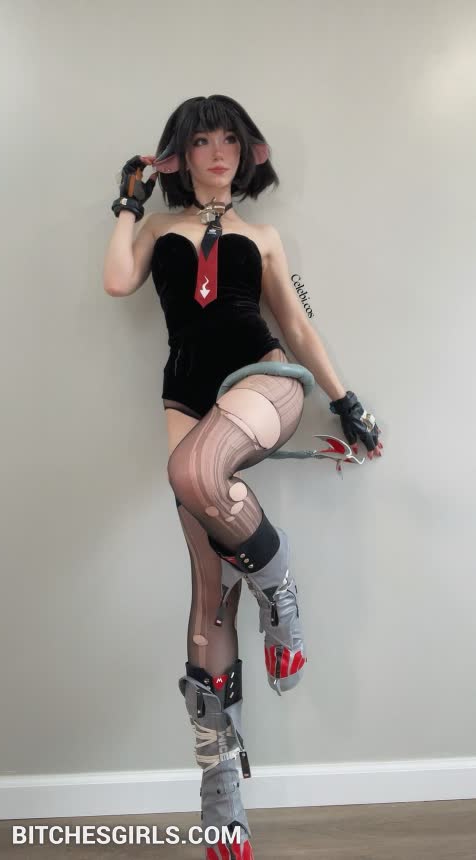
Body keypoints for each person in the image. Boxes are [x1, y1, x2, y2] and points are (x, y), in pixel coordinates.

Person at [103, 94, 383, 860]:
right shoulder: (157, 227)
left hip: (264, 378)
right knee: (208, 592)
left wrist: (346, 401)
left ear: (247, 150)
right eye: (202, 140)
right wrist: (128, 203)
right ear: (181, 154)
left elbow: (296, 323)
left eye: (230, 138)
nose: (219, 150)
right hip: (185, 394)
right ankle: (220, 787)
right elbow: (118, 281)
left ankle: (277, 585)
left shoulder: (263, 236)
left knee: (193, 471)